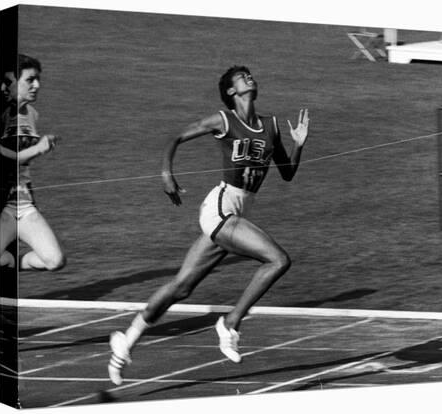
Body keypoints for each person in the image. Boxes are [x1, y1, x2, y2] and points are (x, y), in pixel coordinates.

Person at [108, 65, 309, 385]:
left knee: (182, 286)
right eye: (242, 77)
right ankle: (229, 324)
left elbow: (286, 173)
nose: (250, 78)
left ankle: (126, 340)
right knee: (278, 260)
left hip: (238, 213)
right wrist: (165, 173)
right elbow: (176, 138)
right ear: (231, 91)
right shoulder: (224, 120)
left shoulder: (270, 125)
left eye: (250, 75)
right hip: (220, 209)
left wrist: (298, 143)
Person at [0, 54, 66, 273]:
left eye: (38, 79)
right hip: (0, 206)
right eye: (30, 80)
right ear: (11, 81)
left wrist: (39, 148)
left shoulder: (31, 114)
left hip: (23, 203)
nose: (37, 85)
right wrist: (38, 149)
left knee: (54, 260)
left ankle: (9, 262)